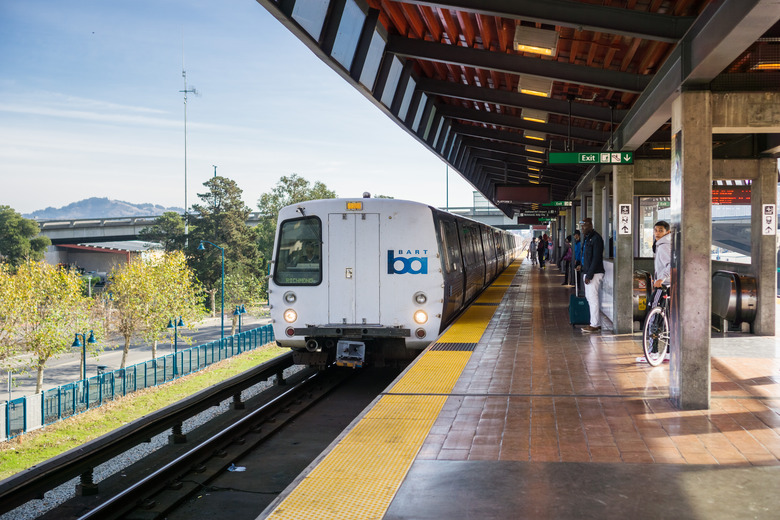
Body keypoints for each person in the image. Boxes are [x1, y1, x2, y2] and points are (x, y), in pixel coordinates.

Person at [638, 220, 672, 362]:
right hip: (670, 286)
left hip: (663, 286)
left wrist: (661, 279)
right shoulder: (665, 244)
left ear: (667, 232)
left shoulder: (664, 246)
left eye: (661, 230)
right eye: (656, 230)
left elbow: (670, 265)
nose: (657, 233)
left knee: (654, 317)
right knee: (667, 319)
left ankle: (653, 352)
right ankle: (668, 352)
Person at [579, 218, 604, 333]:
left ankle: (594, 324)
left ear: (590, 226)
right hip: (588, 272)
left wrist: (589, 274)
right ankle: (594, 322)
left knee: (593, 298)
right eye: (581, 227)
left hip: (594, 273)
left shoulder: (596, 238)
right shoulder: (588, 238)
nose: (582, 229)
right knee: (590, 298)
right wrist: (582, 267)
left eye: (584, 226)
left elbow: (596, 258)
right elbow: (586, 257)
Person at [572, 229, 583, 296]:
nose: (574, 236)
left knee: (579, 274)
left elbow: (579, 252)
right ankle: (577, 286)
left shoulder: (580, 242)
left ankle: (579, 287)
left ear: (577, 235)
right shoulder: (576, 242)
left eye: (575, 235)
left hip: (579, 260)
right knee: (577, 274)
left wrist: (578, 259)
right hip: (577, 259)